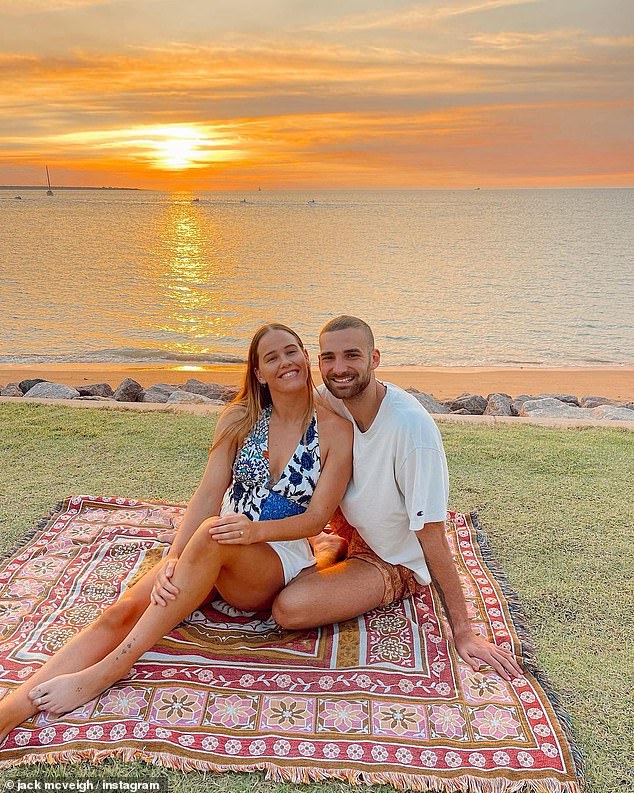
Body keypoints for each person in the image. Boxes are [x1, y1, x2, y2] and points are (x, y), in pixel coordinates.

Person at [0, 323, 352, 741]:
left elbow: (315, 520)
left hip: (272, 557)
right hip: (214, 543)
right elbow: (208, 493)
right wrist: (172, 558)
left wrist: (251, 532)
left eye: (291, 352)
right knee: (121, 611)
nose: (285, 362)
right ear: (258, 372)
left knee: (210, 532)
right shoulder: (240, 417)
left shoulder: (334, 429)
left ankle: (109, 670)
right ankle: (9, 711)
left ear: (305, 358)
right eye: (271, 357)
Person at [271, 315, 522, 681]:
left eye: (352, 356)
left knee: (288, 609)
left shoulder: (411, 430)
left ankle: (369, 572)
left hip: (390, 558)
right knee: (254, 575)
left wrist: (464, 632)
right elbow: (258, 434)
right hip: (347, 530)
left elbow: (432, 534)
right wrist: (202, 525)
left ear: (374, 358)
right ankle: (327, 547)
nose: (339, 369)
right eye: (329, 358)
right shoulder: (328, 400)